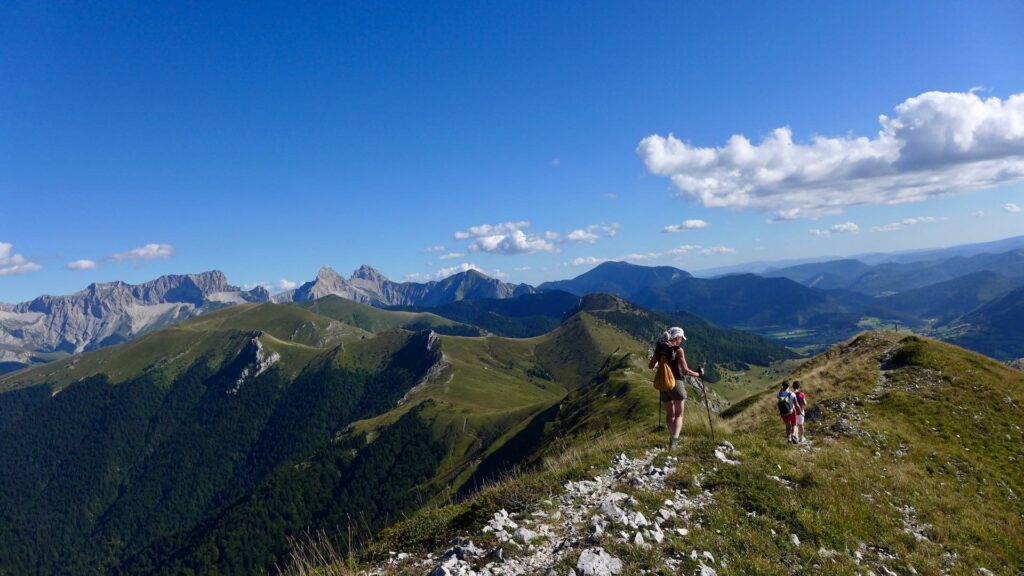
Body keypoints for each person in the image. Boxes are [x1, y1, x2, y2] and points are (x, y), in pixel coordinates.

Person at [649, 326, 703, 449]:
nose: (681, 341)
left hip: (663, 384)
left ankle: (672, 437)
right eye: (681, 338)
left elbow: (651, 366)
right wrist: (698, 374)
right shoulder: (678, 350)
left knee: (670, 414)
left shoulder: (659, 348)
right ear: (677, 337)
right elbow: (685, 371)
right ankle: (674, 440)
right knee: (679, 414)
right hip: (676, 383)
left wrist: (660, 363)